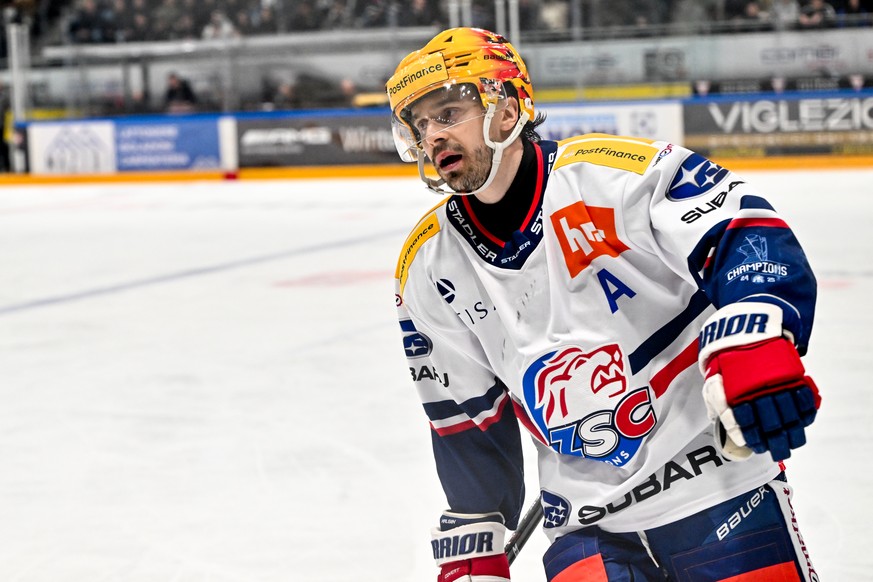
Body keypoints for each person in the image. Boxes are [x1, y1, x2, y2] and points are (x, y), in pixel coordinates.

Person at [387, 27, 821, 582]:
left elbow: (741, 232)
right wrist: (475, 539)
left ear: (507, 106)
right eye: (420, 125)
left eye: (449, 112)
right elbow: (466, 416)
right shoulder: (427, 265)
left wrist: (753, 334)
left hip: (717, 489)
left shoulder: (613, 175)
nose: (433, 137)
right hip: (584, 525)